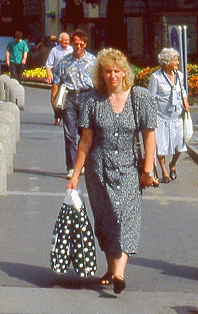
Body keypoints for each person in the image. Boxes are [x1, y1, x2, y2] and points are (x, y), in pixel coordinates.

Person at [67, 47, 157, 295]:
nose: (113, 76)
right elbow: (85, 140)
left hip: (129, 169)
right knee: (106, 221)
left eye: (117, 71)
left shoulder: (139, 98)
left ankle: (119, 272)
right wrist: (75, 174)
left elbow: (149, 135)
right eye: (108, 71)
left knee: (126, 218)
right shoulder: (92, 100)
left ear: (125, 72)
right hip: (98, 171)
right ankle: (110, 268)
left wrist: (147, 170)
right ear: (101, 74)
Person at [54, 29, 96, 177]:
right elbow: (57, 80)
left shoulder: (92, 61)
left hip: (87, 97)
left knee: (85, 133)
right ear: (72, 44)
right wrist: (54, 98)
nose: (78, 47)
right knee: (69, 134)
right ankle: (71, 166)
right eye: (75, 44)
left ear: (85, 44)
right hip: (70, 98)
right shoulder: (64, 61)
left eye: (81, 44)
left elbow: (98, 82)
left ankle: (83, 163)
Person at [147, 47, 190, 183]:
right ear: (167, 61)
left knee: (180, 146)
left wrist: (185, 101)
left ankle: (172, 164)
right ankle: (164, 171)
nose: (177, 62)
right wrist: (151, 117)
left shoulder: (179, 75)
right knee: (162, 145)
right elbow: (151, 97)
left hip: (176, 116)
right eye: (175, 59)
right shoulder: (156, 77)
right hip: (161, 116)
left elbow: (182, 89)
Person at [45, 32, 73, 125]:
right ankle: (57, 115)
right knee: (53, 97)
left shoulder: (71, 50)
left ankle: (63, 117)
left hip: (68, 77)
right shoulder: (55, 50)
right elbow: (49, 65)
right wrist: (49, 75)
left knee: (66, 99)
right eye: (64, 40)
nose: (66, 42)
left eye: (67, 40)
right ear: (60, 41)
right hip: (57, 76)